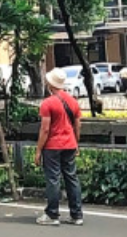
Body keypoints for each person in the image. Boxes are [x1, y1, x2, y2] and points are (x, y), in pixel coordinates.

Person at [35, 67, 83, 226]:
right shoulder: (73, 101)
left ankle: (52, 214)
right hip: (70, 143)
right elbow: (78, 125)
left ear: (50, 84)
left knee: (53, 179)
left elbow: (45, 129)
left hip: (53, 146)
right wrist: (76, 143)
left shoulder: (47, 103)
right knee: (72, 178)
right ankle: (76, 215)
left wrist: (38, 150)